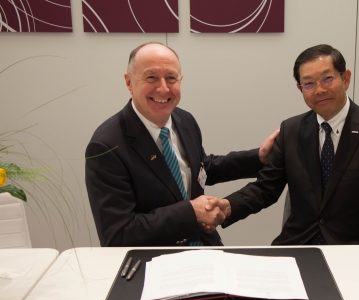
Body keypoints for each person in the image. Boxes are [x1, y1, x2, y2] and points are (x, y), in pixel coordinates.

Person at [211, 44, 359, 245]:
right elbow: (266, 188)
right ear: (300, 88)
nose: (319, 90)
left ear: (346, 78)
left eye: (327, 79)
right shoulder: (291, 130)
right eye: (308, 83)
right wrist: (227, 207)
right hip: (298, 246)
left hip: (356, 251)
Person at [85, 42, 278, 247]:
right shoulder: (107, 146)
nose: (163, 88)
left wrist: (258, 158)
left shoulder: (184, 120)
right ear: (129, 82)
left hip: (203, 245)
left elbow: (200, 169)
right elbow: (118, 235)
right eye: (151, 77)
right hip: (153, 259)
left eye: (171, 78)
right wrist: (190, 212)